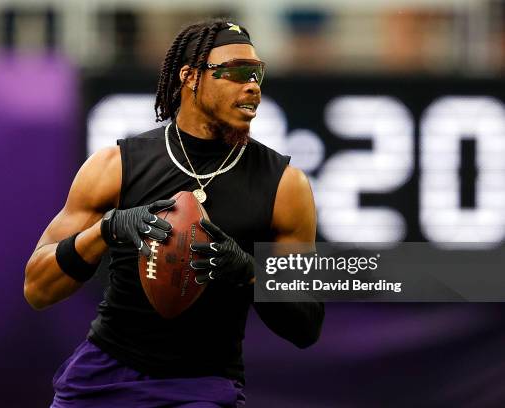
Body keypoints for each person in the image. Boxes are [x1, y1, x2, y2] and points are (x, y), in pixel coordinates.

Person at [24, 17, 324, 408]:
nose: (252, 86)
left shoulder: (285, 186)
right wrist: (106, 231)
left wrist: (250, 272)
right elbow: (37, 288)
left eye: (256, 74)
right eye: (235, 73)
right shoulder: (116, 165)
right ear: (190, 77)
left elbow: (307, 326)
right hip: (106, 373)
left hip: (200, 385)